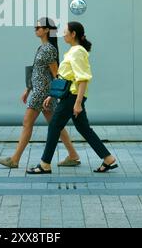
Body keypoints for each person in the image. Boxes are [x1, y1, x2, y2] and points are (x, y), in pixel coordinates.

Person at [26, 21, 118, 174]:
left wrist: (78, 103)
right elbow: (65, 77)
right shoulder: (73, 51)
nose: (63, 34)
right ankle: (108, 159)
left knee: (54, 126)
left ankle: (44, 164)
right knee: (84, 128)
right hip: (70, 96)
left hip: (73, 97)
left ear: (73, 34)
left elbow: (82, 79)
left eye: (66, 31)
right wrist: (52, 94)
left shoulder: (77, 52)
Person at [0, 17, 80, 169]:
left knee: (27, 123)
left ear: (47, 30)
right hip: (39, 91)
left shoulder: (48, 49)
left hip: (42, 93)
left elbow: (56, 74)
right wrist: (27, 89)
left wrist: (53, 94)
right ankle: (73, 155)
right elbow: (37, 71)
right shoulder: (43, 47)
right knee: (57, 125)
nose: (36, 29)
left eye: (38, 27)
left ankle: (14, 159)